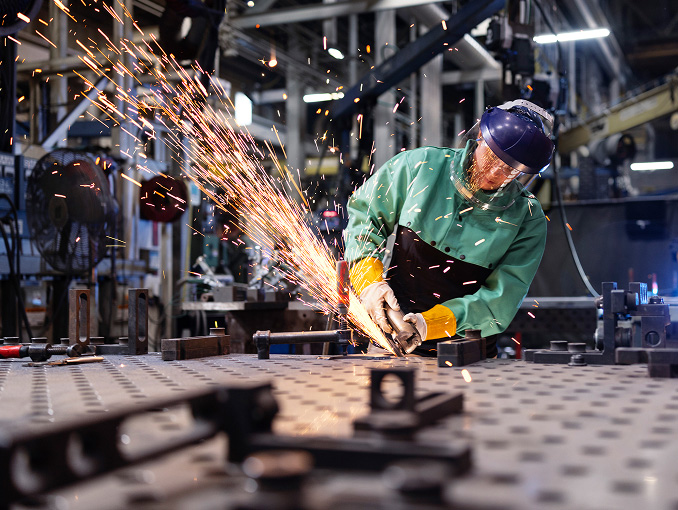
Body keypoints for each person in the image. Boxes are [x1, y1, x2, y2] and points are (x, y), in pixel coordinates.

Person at [344, 100, 555, 356]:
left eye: (509, 170)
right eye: (491, 157)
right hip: (389, 339)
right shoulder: (421, 167)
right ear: (480, 136)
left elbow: (501, 298)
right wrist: (369, 282)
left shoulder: (527, 218)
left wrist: (429, 325)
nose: (494, 173)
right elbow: (365, 219)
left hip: (468, 355)